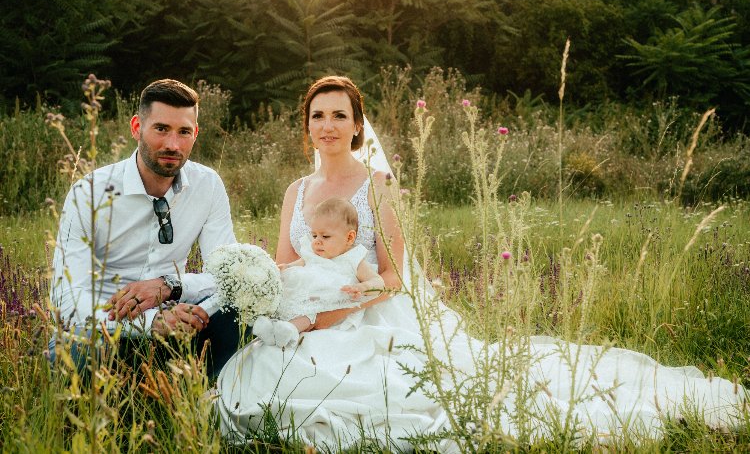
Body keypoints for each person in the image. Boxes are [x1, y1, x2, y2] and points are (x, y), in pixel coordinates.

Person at [216, 76, 746, 451]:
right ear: (306, 125)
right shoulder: (295, 190)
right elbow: (285, 265)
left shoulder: (378, 186)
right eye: (317, 115)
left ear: (357, 126)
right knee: (261, 373)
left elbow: (394, 277)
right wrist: (258, 287)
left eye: (339, 115)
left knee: (388, 394)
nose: (327, 125)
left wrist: (334, 313)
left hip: (365, 311)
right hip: (303, 315)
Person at [51, 79, 239, 378]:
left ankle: (211, 397)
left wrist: (171, 285)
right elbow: (67, 298)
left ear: (195, 134)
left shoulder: (208, 184)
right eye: (161, 129)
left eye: (184, 132)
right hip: (104, 329)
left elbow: (227, 275)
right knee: (84, 348)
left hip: (174, 321)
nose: (172, 145)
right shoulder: (90, 191)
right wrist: (150, 322)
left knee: (238, 311)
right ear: (137, 127)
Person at [254, 197, 385, 349]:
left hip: (325, 301)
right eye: (314, 235)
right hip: (304, 293)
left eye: (325, 236)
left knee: (310, 313)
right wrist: (286, 266)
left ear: (349, 238)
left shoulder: (354, 259)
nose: (317, 241)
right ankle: (271, 327)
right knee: (284, 296)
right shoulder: (313, 253)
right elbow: (301, 263)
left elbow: (379, 283)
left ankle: (290, 329)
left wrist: (362, 287)